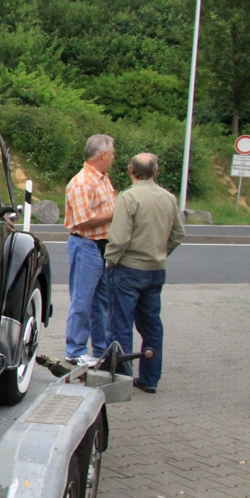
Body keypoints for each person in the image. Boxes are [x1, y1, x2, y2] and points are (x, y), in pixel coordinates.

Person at [105, 153, 185, 393]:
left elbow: (119, 238)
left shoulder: (128, 197)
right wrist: (161, 252)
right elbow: (178, 234)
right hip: (155, 269)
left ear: (130, 170)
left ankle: (121, 379)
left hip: (128, 268)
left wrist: (111, 260)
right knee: (151, 325)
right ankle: (150, 379)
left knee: (121, 324)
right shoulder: (168, 198)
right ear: (156, 171)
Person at [63, 134, 116, 366]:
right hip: (86, 246)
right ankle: (75, 350)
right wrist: (115, 213)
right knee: (82, 300)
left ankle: (101, 349)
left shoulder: (103, 179)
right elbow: (83, 220)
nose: (113, 157)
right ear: (103, 155)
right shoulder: (83, 182)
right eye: (112, 153)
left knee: (101, 301)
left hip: (103, 246)